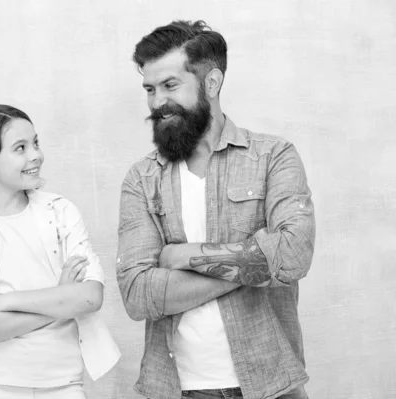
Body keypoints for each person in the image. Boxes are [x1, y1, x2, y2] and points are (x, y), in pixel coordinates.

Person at [116, 20, 315, 399]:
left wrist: (181, 256)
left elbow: (294, 256)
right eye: (149, 89)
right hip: (180, 389)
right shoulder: (142, 178)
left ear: (212, 82)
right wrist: (257, 264)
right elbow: (138, 294)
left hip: (272, 384)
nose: (157, 102)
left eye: (171, 85)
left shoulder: (274, 157)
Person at [0, 104, 120, 398]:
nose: (36, 155)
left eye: (35, 143)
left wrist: (3, 302)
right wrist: (59, 299)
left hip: (65, 387)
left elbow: (89, 297)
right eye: (20, 148)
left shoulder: (61, 213)